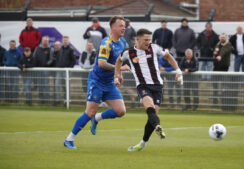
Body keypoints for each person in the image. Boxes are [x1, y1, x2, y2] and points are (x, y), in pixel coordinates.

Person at [64, 16, 130, 149]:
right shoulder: (106, 43)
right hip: (97, 82)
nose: (124, 28)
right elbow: (101, 63)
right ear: (113, 28)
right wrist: (118, 69)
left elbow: (120, 60)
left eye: (124, 25)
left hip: (109, 83)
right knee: (89, 112)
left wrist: (119, 74)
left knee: (121, 111)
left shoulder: (123, 43)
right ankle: (69, 139)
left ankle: (97, 118)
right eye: (121, 25)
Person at [114, 28, 183, 152]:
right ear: (138, 39)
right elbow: (118, 61)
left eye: (149, 40)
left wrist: (178, 71)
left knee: (153, 114)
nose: (148, 42)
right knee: (149, 107)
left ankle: (143, 143)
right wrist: (117, 75)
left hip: (158, 86)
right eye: (146, 40)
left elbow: (168, 56)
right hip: (143, 86)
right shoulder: (128, 52)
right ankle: (158, 126)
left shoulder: (154, 47)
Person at [211, 33, 233, 109]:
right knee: (215, 85)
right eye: (221, 37)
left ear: (226, 37)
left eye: (224, 37)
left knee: (224, 85)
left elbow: (224, 50)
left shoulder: (228, 44)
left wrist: (220, 56)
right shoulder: (217, 44)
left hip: (224, 66)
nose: (222, 38)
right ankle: (215, 102)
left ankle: (224, 102)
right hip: (216, 66)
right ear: (220, 37)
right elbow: (215, 51)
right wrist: (215, 53)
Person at [53, 36, 76, 105]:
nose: (65, 41)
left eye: (66, 40)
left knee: (66, 86)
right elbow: (57, 59)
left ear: (68, 41)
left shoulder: (71, 50)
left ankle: (67, 101)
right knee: (57, 85)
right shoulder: (60, 49)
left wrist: (68, 69)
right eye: (64, 40)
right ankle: (58, 100)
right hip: (59, 70)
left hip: (67, 71)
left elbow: (73, 61)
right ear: (62, 41)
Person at [33, 36, 54, 104]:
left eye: (46, 41)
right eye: (44, 40)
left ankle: (47, 100)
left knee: (46, 84)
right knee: (40, 85)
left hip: (46, 70)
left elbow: (51, 59)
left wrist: (46, 65)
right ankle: (41, 100)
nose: (45, 42)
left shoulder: (50, 49)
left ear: (48, 42)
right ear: (42, 41)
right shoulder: (37, 48)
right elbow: (34, 57)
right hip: (38, 70)